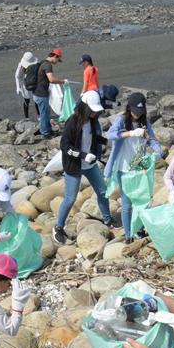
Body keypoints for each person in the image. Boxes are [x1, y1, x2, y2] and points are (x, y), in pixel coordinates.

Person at [53, 91, 113, 245]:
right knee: (70, 198)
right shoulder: (72, 122)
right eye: (93, 110)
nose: (95, 113)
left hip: (90, 163)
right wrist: (83, 155)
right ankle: (58, 227)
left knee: (102, 191)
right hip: (74, 165)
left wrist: (105, 141)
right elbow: (64, 146)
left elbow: (92, 137)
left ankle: (107, 219)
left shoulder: (92, 121)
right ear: (85, 107)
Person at [103, 92, 161, 242]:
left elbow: (152, 140)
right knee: (127, 203)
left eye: (140, 111)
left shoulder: (145, 122)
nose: (137, 114)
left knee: (141, 199)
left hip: (139, 166)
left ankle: (140, 229)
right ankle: (128, 234)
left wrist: (158, 150)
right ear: (129, 108)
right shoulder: (121, 120)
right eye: (135, 111)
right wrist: (130, 133)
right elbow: (110, 135)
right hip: (124, 168)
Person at [33, 49, 65, 138]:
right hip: (41, 94)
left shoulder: (42, 62)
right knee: (44, 114)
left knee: (46, 113)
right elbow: (51, 79)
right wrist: (62, 81)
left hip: (37, 92)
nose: (57, 62)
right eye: (58, 60)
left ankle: (48, 130)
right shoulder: (47, 65)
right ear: (55, 56)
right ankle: (45, 133)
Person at [14, 52, 39, 120]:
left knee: (36, 100)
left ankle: (39, 115)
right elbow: (17, 77)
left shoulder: (36, 64)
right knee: (26, 101)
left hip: (34, 83)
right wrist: (18, 87)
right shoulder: (21, 66)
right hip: (25, 86)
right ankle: (27, 117)